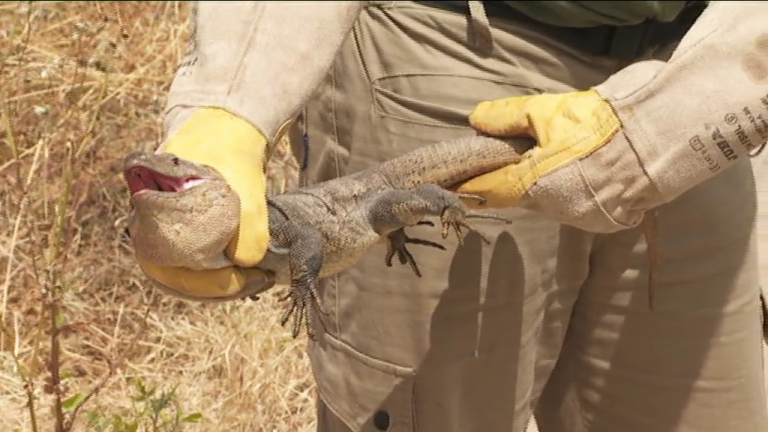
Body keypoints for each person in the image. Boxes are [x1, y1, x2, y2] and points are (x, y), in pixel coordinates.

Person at [135, 2, 768, 431]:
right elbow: (301, 232)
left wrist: (709, 90)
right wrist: (229, 104)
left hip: (699, 58)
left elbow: (310, 246)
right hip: (452, 42)